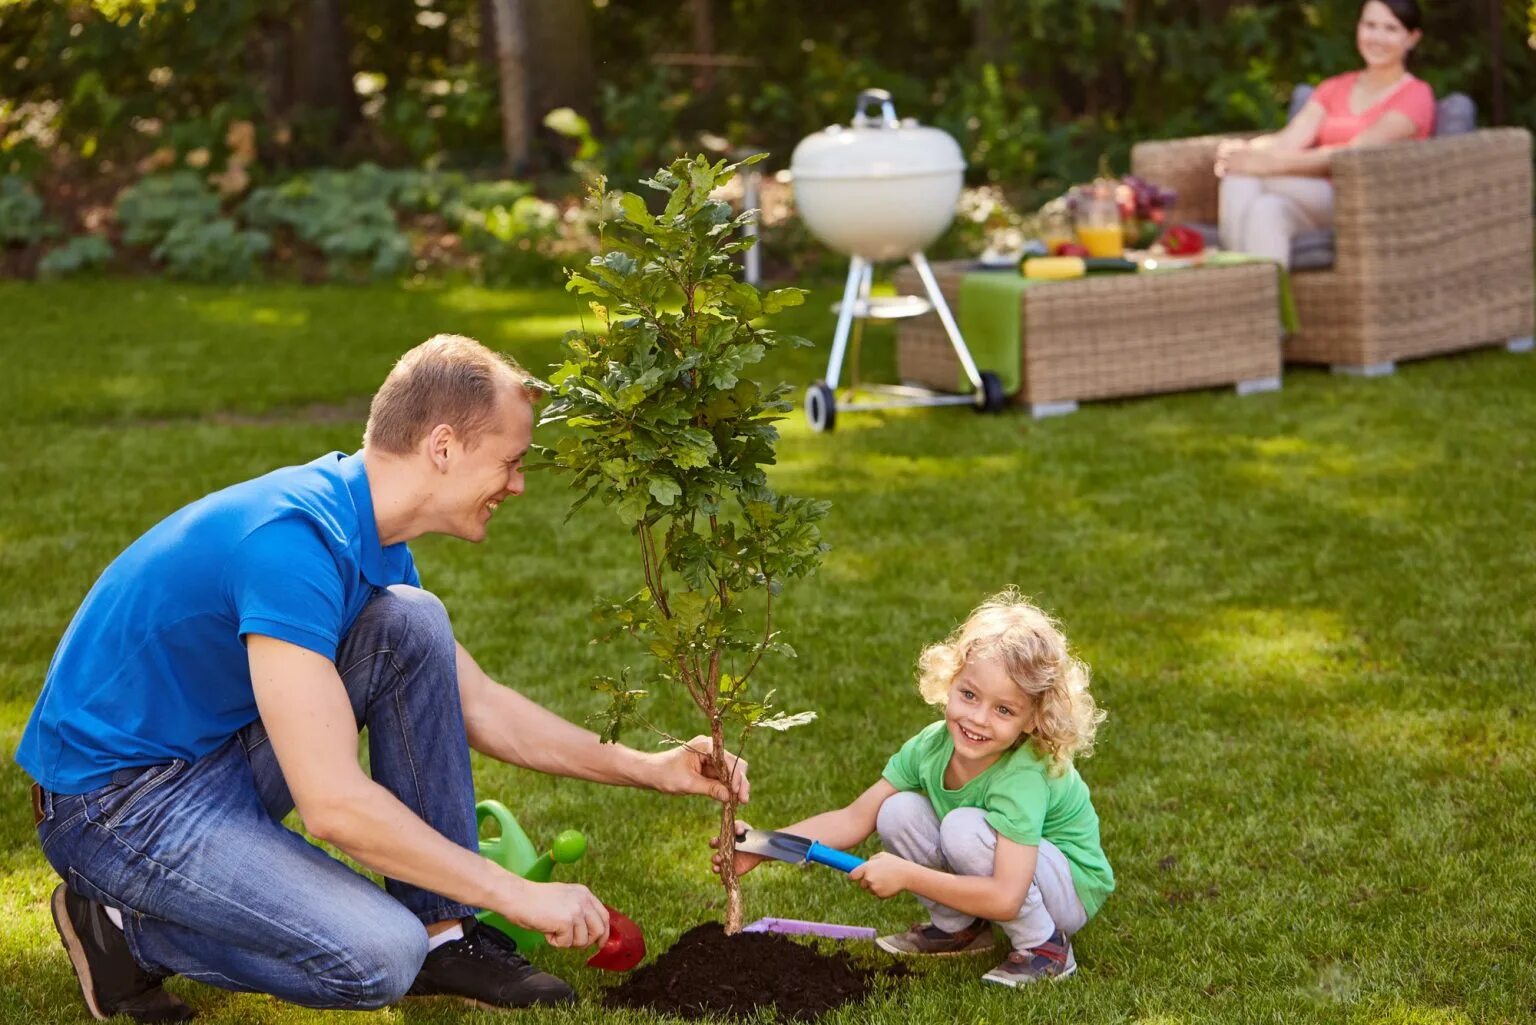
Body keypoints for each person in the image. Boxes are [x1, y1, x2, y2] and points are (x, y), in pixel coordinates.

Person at [17, 334, 750, 1022]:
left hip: (205, 755)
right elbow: (332, 803)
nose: (519, 484)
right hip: (114, 804)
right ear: (442, 446)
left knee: (412, 620)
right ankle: (124, 931)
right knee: (376, 955)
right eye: (511, 460)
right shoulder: (292, 545)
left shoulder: (371, 536)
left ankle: (444, 933)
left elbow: (482, 705)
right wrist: (518, 894)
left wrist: (652, 768)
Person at [714, 589, 1111, 988]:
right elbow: (854, 818)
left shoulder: (1024, 775)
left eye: (1003, 709)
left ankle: (1044, 946)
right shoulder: (930, 747)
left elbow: (1007, 896)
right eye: (969, 695)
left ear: (1032, 719)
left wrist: (909, 876)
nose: (977, 718)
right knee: (896, 810)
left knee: (962, 828)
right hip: (1009, 872)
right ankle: (961, 928)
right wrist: (763, 846)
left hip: (1067, 889)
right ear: (950, 680)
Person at [1216, 0, 1434, 267]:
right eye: (1370, 25)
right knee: (1266, 211)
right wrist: (1245, 150)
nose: (1377, 37)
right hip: (1314, 201)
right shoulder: (1334, 88)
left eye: (1390, 28)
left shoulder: (1415, 96)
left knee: (1246, 173)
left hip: (1363, 202)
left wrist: (1264, 163)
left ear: (1412, 38)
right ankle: (1262, 303)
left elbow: (1350, 157)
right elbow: (1289, 140)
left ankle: (1234, 284)